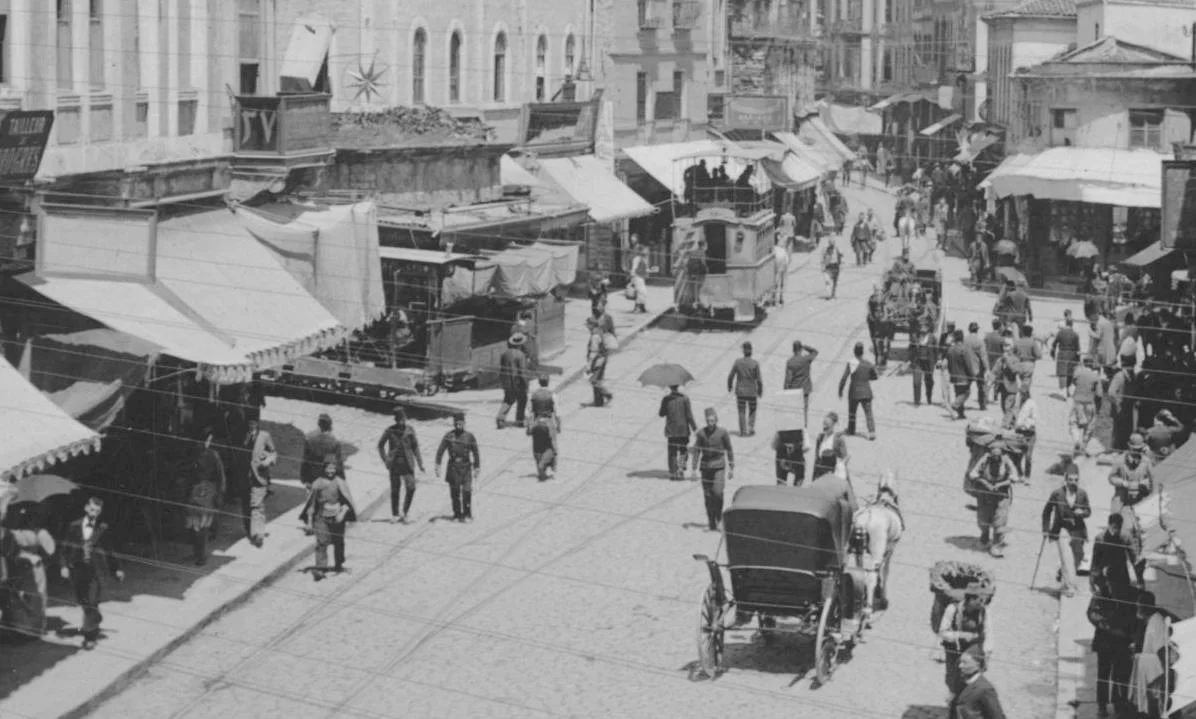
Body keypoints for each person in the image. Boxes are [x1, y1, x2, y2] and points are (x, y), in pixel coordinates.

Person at [60, 496, 125, 650]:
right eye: (91, 509)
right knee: (84, 602)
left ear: (100, 512)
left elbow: (110, 550)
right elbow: (64, 548)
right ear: (86, 508)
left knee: (91, 601)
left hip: (95, 571)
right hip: (77, 571)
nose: (93, 513)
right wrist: (63, 566)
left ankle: (90, 637)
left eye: (97, 511)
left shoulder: (103, 528)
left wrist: (117, 568)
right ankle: (96, 617)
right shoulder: (74, 526)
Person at [1088, 574, 1136, 716]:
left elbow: (1134, 617)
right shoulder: (1101, 594)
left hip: (1122, 642)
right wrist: (1105, 624)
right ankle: (1102, 705)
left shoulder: (1131, 595)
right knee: (1103, 676)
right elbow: (1091, 613)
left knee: (1119, 676)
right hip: (1105, 642)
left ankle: (1118, 704)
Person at [302, 461, 357, 581]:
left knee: (338, 542)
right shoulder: (317, 484)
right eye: (328, 469)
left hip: (337, 517)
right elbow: (311, 504)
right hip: (321, 516)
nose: (331, 471)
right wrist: (309, 521)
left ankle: (339, 563)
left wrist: (343, 512)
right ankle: (320, 569)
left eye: (333, 469)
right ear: (323, 469)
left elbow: (346, 501)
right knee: (322, 541)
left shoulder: (340, 482)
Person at [1042, 465, 1091, 597]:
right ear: (1066, 480)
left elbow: (1088, 511)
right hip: (1062, 528)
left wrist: (1082, 513)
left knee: (1079, 556)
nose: (1073, 482)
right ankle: (1070, 587)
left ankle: (1063, 573)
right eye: (1070, 479)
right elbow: (1047, 511)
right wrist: (1046, 529)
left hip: (1078, 530)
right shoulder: (1057, 493)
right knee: (1067, 557)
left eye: (1076, 480)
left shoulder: (1082, 494)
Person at [938, 591, 994, 695]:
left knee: (971, 681)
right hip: (954, 651)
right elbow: (942, 632)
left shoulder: (984, 611)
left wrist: (986, 656)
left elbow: (988, 633)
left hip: (973, 652)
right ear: (971, 599)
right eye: (979, 600)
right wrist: (961, 635)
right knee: (952, 681)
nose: (982, 603)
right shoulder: (953, 609)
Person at [967, 445, 1018, 557]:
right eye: (993, 455)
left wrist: (1000, 484)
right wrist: (985, 483)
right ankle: (984, 537)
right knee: (983, 517)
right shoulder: (985, 459)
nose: (995, 457)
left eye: (998, 455)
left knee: (1000, 519)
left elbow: (1014, 477)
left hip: (1001, 494)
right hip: (985, 493)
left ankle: (996, 544)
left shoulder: (1006, 460)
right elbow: (973, 474)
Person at [377, 407, 425, 523]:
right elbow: (380, 445)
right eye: (399, 420)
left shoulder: (410, 430)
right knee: (395, 489)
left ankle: (405, 512)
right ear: (396, 420)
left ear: (405, 419)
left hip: (407, 464)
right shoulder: (390, 430)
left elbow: (415, 447)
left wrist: (420, 463)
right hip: (394, 464)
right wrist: (386, 460)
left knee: (411, 487)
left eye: (403, 420)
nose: (401, 422)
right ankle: (395, 514)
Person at [185, 430, 226, 565]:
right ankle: (199, 553)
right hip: (201, 492)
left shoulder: (208, 455)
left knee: (200, 525)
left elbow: (220, 477)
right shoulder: (210, 455)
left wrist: (218, 494)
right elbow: (220, 477)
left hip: (204, 492)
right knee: (198, 525)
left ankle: (200, 555)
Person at [690, 408, 734, 532]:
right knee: (708, 496)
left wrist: (731, 467)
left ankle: (719, 519)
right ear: (706, 421)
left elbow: (729, 449)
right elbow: (696, 451)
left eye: (713, 421)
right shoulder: (701, 434)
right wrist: (693, 469)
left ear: (716, 420)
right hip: (705, 467)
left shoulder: (723, 433)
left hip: (719, 466)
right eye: (709, 421)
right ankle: (711, 522)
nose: (711, 423)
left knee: (718, 493)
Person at [435, 413, 481, 522]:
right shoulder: (449, 436)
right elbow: (440, 451)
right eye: (456, 423)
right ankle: (457, 514)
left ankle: (467, 514)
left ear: (464, 423)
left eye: (460, 423)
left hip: (466, 467)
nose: (458, 425)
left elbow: (475, 452)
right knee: (455, 493)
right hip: (453, 467)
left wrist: (477, 467)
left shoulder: (469, 436)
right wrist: (438, 465)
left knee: (467, 491)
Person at [242, 417, 277, 548]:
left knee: (257, 506)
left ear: (257, 423)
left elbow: (273, 453)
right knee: (247, 506)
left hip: (259, 475)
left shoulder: (264, 436)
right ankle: (250, 532)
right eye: (249, 422)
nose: (251, 424)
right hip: (246, 476)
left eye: (253, 422)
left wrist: (268, 461)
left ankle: (258, 535)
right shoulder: (245, 436)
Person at [948, 645, 1006, 718]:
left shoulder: (985, 689)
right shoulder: (962, 684)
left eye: (965, 662)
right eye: (960, 662)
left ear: (977, 665)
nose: (960, 666)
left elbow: (997, 716)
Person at [838, 341, 878, 439]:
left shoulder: (851, 363)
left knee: (852, 411)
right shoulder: (868, 364)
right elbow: (875, 376)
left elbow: (844, 378)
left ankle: (851, 429)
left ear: (854, 351)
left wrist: (840, 389)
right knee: (868, 412)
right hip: (866, 390)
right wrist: (867, 378)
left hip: (854, 391)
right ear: (862, 352)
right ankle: (872, 431)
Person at [660, 384, 697, 481]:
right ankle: (681, 469)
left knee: (672, 451)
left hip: (671, 429)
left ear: (670, 387)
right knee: (683, 450)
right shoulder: (685, 399)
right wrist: (694, 428)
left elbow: (661, 414)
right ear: (678, 386)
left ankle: (673, 473)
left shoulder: (666, 399)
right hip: (683, 429)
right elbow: (689, 415)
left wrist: (664, 402)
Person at [1109, 434, 1153, 513]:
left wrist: (1143, 483)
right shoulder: (1119, 460)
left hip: (1141, 494)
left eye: (1139, 449)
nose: (1137, 452)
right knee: (1115, 512)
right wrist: (1122, 482)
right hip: (1123, 493)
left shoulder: (1146, 461)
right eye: (1135, 449)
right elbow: (1111, 477)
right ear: (1129, 447)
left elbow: (1152, 480)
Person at [727, 341, 763, 437]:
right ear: (751, 351)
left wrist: (729, 386)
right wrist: (760, 391)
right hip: (752, 391)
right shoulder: (755, 363)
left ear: (743, 351)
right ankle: (750, 429)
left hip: (740, 392)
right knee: (753, 409)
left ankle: (742, 432)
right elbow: (759, 380)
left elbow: (730, 376)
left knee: (741, 411)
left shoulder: (738, 362)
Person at [529, 375, 561, 481]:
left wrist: (529, 426)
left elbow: (529, 413)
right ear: (548, 382)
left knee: (537, 448)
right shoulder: (552, 395)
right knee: (552, 448)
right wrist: (559, 425)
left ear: (539, 382)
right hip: (548, 423)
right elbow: (557, 413)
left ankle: (541, 472)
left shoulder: (533, 395)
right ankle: (545, 464)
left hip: (537, 422)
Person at [1070, 356, 1102, 455]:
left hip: (1078, 401)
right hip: (1089, 403)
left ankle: (1076, 440)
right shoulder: (1095, 376)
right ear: (1092, 365)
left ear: (1083, 363)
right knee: (1088, 427)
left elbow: (1074, 382)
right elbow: (1099, 394)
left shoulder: (1077, 373)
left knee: (1074, 423)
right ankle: (1084, 445)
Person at [302, 413, 344, 488]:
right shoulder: (334, 442)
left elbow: (305, 460)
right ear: (329, 426)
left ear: (318, 424)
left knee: (311, 498)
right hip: (326, 479)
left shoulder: (309, 438)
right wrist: (341, 479)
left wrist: (304, 478)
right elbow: (338, 463)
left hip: (312, 477)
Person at [497, 334, 530, 429]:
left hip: (506, 381)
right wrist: (526, 384)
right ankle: (519, 420)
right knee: (522, 400)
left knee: (508, 400)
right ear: (520, 344)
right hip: (517, 382)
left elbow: (502, 368)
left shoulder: (505, 354)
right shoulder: (521, 355)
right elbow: (522, 372)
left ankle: (500, 418)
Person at [784, 340, 819, 428]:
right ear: (800, 349)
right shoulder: (806, 359)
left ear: (793, 350)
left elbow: (788, 378)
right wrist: (805, 347)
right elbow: (815, 352)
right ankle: (804, 426)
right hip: (805, 388)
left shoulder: (790, 362)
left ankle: (795, 426)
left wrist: (785, 390)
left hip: (794, 389)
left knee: (794, 410)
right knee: (804, 409)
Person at [988, 338, 1022, 428]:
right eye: (1004, 345)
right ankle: (1013, 422)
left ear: (1012, 347)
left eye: (1008, 346)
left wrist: (1007, 360)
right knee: (1004, 408)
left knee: (1008, 407)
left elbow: (1015, 370)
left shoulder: (1015, 359)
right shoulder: (1000, 360)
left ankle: (1005, 425)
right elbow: (994, 371)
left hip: (1011, 388)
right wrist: (990, 383)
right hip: (1002, 388)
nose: (1005, 348)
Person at [1107, 359, 1138, 451]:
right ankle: (1114, 450)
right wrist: (1117, 405)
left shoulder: (1131, 376)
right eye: (1129, 366)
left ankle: (1123, 449)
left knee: (1127, 431)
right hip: (1120, 409)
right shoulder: (1119, 376)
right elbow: (1111, 393)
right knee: (1117, 432)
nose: (1131, 368)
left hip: (1128, 408)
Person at [812, 412, 850, 480]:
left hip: (835, 475)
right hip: (821, 475)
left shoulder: (839, 440)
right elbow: (816, 459)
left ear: (833, 425)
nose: (824, 427)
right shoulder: (820, 438)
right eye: (824, 424)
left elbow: (845, 458)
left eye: (827, 425)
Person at [1051, 313, 1082, 394]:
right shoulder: (1075, 334)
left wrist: (1053, 353)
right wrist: (1078, 359)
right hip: (1072, 355)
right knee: (1070, 372)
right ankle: (1068, 389)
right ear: (1072, 324)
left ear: (1066, 323)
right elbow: (1078, 348)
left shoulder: (1060, 333)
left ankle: (1063, 390)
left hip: (1062, 353)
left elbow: (1054, 344)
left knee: (1062, 373)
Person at [1012, 386, 1038, 481]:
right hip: (1019, 432)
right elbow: (1014, 415)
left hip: (1029, 433)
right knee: (1017, 456)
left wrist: (1025, 424)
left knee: (1028, 456)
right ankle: (1020, 474)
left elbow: (1034, 419)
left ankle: (1027, 476)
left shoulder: (1031, 404)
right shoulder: (1017, 403)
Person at [946, 329, 972, 420]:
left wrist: (951, 372)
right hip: (963, 375)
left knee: (958, 393)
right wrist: (971, 375)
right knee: (966, 393)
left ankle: (961, 413)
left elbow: (948, 364)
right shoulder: (963, 349)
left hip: (954, 375)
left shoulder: (950, 350)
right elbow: (968, 363)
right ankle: (954, 405)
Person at [963, 322, 990, 411]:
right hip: (978, 368)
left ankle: (960, 403)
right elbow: (983, 356)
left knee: (965, 387)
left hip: (966, 367)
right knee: (982, 387)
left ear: (969, 329)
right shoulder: (979, 341)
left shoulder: (965, 340)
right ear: (977, 330)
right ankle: (982, 405)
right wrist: (987, 368)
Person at [585, 326, 614, 407]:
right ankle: (598, 401)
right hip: (602, 359)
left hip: (597, 361)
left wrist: (588, 366)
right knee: (597, 380)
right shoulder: (600, 332)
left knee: (594, 380)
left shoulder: (595, 336)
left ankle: (607, 394)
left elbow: (593, 352)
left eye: (588, 324)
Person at [912, 326, 938, 407]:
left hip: (928, 363)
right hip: (918, 362)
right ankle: (917, 401)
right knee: (916, 381)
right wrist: (908, 360)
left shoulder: (932, 338)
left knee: (929, 381)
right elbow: (911, 349)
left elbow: (936, 350)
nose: (922, 330)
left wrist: (936, 361)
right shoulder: (915, 337)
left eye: (924, 328)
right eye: (921, 328)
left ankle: (929, 398)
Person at [628, 244, 653, 313]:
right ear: (642, 251)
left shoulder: (643, 259)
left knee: (642, 293)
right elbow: (633, 269)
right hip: (637, 277)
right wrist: (632, 279)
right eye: (646, 251)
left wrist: (651, 270)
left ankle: (641, 307)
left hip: (641, 278)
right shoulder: (637, 259)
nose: (647, 253)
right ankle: (638, 308)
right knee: (641, 293)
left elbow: (645, 269)